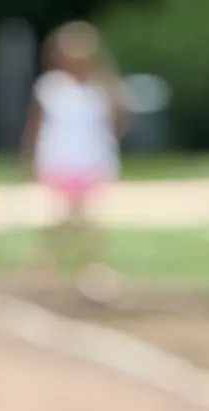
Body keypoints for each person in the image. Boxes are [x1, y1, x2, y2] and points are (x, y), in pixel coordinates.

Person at [22, 21, 129, 298]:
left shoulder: (102, 86)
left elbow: (119, 119)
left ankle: (88, 267)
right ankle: (48, 264)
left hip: (92, 159)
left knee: (91, 219)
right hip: (59, 158)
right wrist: (29, 155)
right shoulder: (51, 86)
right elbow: (36, 125)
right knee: (60, 216)